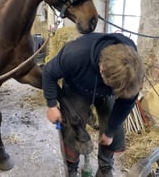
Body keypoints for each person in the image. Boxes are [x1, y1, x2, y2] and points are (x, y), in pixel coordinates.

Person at [42, 32, 144, 177]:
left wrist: (109, 131)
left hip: (105, 92)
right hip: (77, 87)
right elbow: (48, 72)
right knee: (71, 126)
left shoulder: (132, 70)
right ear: (101, 68)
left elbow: (126, 102)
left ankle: (104, 167)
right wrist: (51, 104)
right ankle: (72, 166)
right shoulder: (75, 55)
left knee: (115, 130)